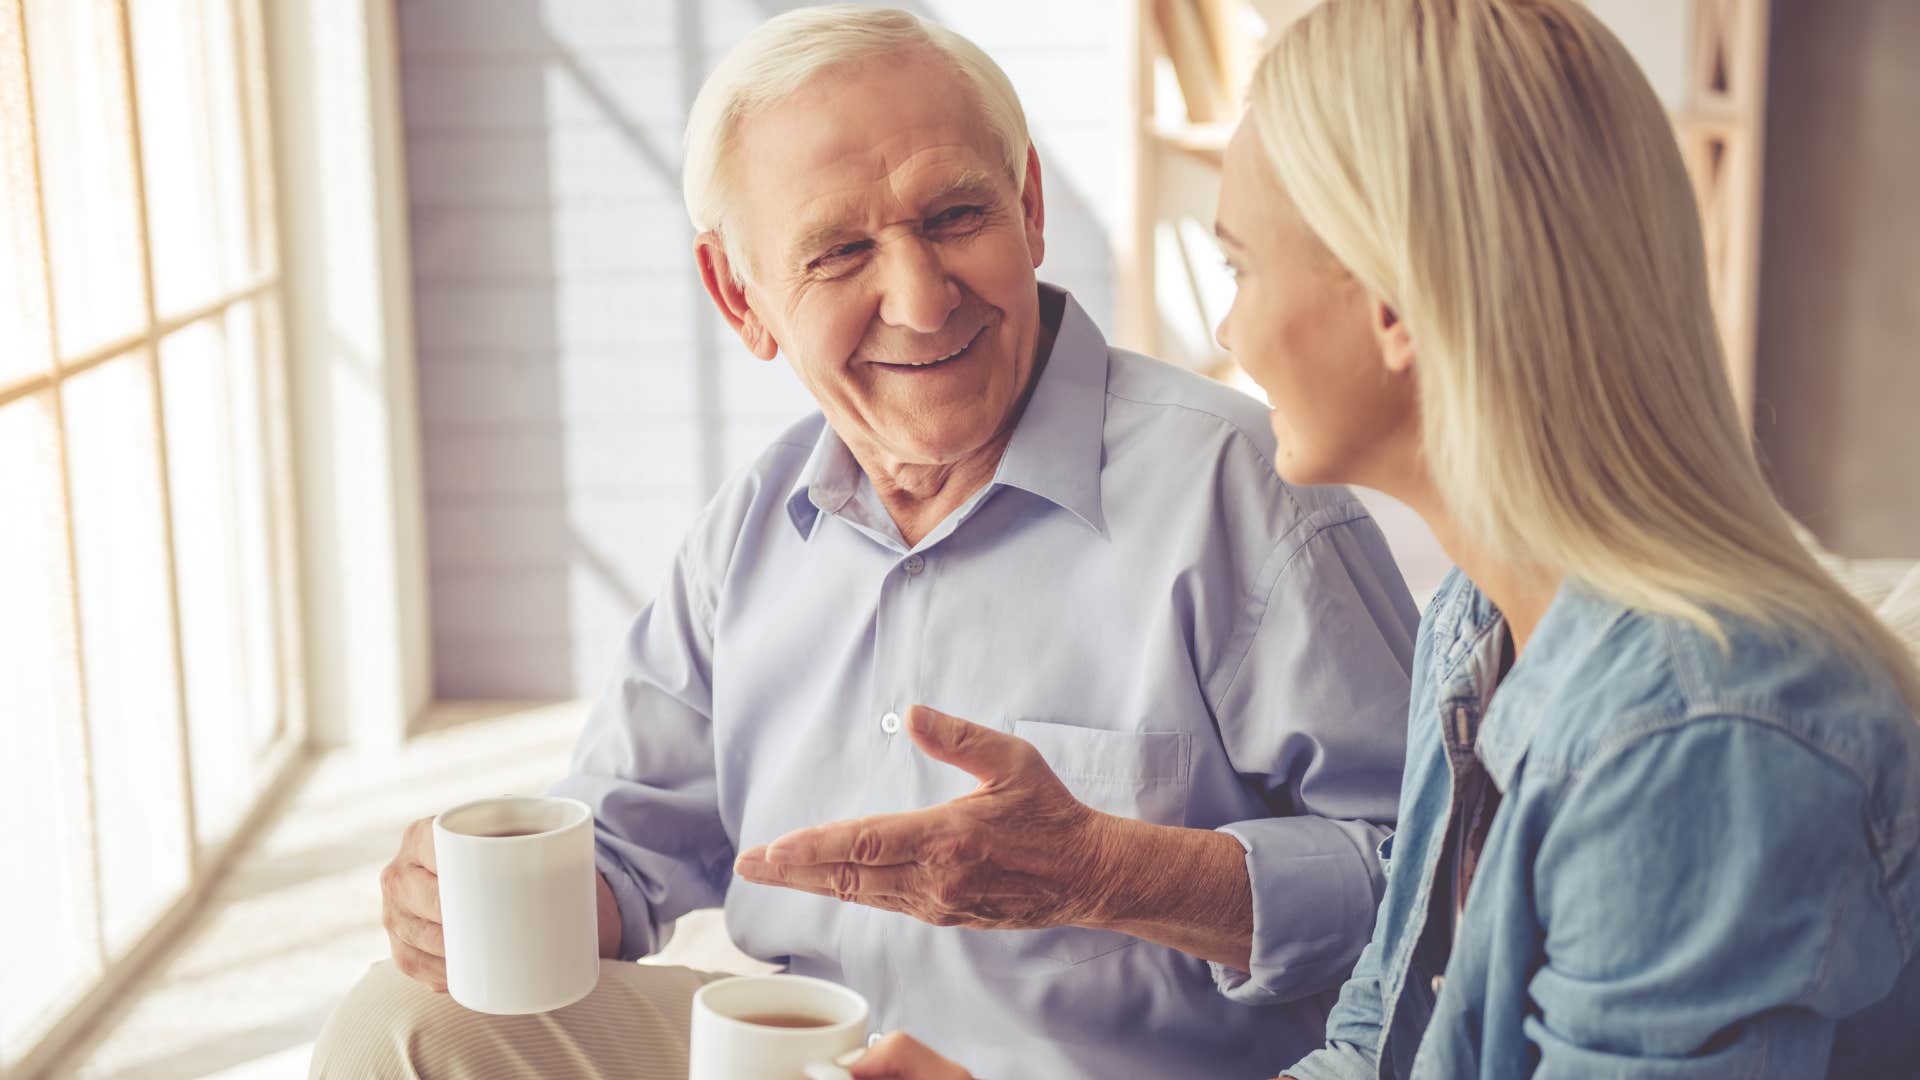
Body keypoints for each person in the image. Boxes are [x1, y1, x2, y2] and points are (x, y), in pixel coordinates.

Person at [308, 6, 1419, 1079]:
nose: (922, 302)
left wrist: (1107, 873)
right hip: (799, 1053)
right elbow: (628, 844)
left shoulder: (1247, 490)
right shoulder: (752, 525)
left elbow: (1437, 889)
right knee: (403, 1025)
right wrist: (479, 908)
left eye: (954, 218)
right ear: (740, 295)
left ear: (1029, 205)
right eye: (839, 252)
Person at [840, 0, 1920, 1076]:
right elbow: (1375, 1048)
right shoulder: (1476, 624)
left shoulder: (1696, 740)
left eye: (1241, 270)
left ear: (1396, 301)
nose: (1231, 331)